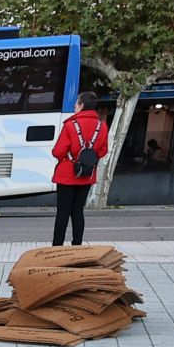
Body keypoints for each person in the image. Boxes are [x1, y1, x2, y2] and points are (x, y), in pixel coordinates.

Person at [51, 91, 108, 247]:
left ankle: (57, 247)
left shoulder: (70, 125)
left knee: (63, 211)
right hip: (87, 174)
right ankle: (77, 245)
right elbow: (103, 151)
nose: (74, 106)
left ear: (82, 105)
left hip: (67, 174)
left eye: (76, 103)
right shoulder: (101, 126)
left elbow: (58, 151)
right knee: (78, 210)